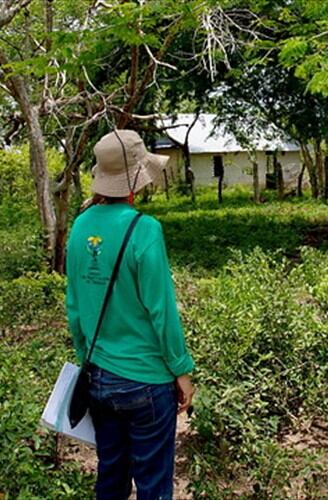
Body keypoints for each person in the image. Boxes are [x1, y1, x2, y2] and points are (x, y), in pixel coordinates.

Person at [66, 129, 195, 500]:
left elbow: (74, 307)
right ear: (135, 179)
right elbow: (162, 310)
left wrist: (87, 358)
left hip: (99, 378)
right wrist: (182, 371)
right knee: (153, 485)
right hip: (147, 382)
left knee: (111, 477)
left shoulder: (80, 226)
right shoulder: (145, 229)